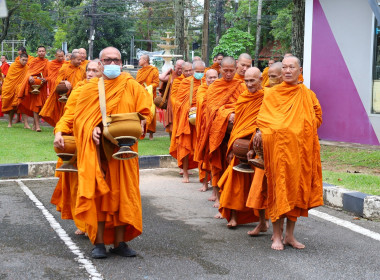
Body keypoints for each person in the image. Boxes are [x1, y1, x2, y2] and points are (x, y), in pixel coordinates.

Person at [70, 47, 152, 259]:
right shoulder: (89, 89)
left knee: (123, 196)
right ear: (100, 62)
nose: (112, 64)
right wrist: (92, 129)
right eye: (108, 60)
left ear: (122, 63)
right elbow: (79, 119)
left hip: (125, 153)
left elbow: (145, 111)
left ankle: (120, 242)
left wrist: (144, 121)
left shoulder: (131, 85)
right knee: (100, 196)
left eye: (116, 60)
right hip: (100, 153)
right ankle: (98, 243)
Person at [252, 56, 323, 250]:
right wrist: (263, 132)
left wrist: (301, 127)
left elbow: (317, 118)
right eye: (284, 67)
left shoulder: (307, 95)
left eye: (292, 67)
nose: (288, 71)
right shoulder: (272, 94)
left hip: (300, 151)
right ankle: (276, 236)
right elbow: (264, 120)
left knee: (296, 191)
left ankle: (290, 236)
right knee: (278, 190)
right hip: (278, 152)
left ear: (300, 70)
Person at [52, 60, 103, 236]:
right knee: (76, 184)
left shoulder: (105, 91)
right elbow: (69, 114)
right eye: (88, 70)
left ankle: (95, 222)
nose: (90, 73)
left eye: (95, 71)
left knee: (94, 184)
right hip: (77, 141)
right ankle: (82, 222)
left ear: (101, 73)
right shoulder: (79, 89)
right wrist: (59, 131)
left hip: (97, 143)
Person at [196, 57, 246, 211]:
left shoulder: (241, 86)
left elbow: (245, 107)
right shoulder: (215, 87)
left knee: (233, 165)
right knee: (217, 165)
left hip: (235, 132)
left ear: (236, 68)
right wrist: (227, 114)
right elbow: (210, 110)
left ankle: (231, 199)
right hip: (217, 132)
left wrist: (234, 113)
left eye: (232, 70)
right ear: (220, 70)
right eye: (226, 70)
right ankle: (218, 197)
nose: (229, 74)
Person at [218, 67, 266, 229]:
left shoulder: (266, 98)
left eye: (253, 80)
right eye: (246, 81)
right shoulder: (243, 98)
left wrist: (254, 140)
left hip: (258, 148)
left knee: (259, 185)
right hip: (239, 146)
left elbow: (266, 122)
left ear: (260, 80)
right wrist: (232, 147)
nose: (249, 84)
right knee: (233, 181)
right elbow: (238, 125)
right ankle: (234, 217)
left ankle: (262, 221)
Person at [245, 62, 283, 237]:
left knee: (280, 190)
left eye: (274, 76)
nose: (272, 80)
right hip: (263, 148)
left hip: (283, 148)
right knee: (258, 189)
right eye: (271, 76)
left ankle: (281, 231)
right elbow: (261, 120)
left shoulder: (291, 95)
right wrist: (256, 138)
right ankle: (262, 223)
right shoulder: (265, 94)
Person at [170, 60, 205, 183]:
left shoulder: (206, 82)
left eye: (202, 72)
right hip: (187, 119)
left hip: (202, 120)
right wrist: (189, 109)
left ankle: (204, 176)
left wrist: (200, 108)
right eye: (197, 71)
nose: (199, 74)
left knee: (202, 146)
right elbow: (178, 102)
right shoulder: (185, 83)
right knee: (185, 146)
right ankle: (185, 172)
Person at [40, 52, 85, 127]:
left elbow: (84, 81)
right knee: (64, 113)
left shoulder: (82, 69)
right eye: (78, 60)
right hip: (66, 95)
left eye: (81, 60)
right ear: (72, 59)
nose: (80, 62)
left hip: (77, 95)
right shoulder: (65, 67)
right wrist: (64, 81)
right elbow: (58, 80)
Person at [194, 69, 218, 192]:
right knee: (204, 155)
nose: (212, 80)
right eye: (210, 78)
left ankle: (215, 189)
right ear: (205, 79)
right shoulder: (201, 90)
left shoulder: (221, 90)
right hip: (203, 128)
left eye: (215, 77)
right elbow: (202, 104)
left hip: (215, 128)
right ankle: (205, 183)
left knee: (214, 158)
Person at [169, 62, 193, 174]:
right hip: (182, 115)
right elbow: (174, 98)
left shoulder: (197, 81)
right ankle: (182, 167)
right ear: (182, 72)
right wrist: (184, 108)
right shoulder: (178, 81)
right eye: (186, 71)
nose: (188, 73)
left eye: (190, 70)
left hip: (194, 115)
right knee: (183, 142)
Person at [18, 45, 49, 131]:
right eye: (40, 51)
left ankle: (35, 125)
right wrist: (30, 77)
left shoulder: (47, 62)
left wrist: (45, 79)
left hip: (42, 86)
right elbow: (28, 72)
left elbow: (49, 76)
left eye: (43, 51)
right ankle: (37, 126)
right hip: (35, 86)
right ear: (37, 52)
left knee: (41, 106)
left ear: (45, 52)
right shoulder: (34, 61)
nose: (41, 53)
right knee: (36, 105)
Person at [1, 53, 29, 127]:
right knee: (12, 107)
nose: (24, 62)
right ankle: (10, 122)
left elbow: (26, 78)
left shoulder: (26, 67)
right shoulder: (13, 65)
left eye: (26, 60)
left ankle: (26, 124)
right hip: (11, 88)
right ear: (19, 59)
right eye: (23, 60)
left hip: (21, 89)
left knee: (23, 105)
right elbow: (10, 78)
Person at [159, 59, 185, 137]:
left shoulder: (186, 76)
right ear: (175, 67)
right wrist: (168, 70)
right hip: (172, 103)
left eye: (181, 68)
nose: (180, 70)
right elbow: (161, 77)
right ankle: (172, 143)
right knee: (171, 124)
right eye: (178, 68)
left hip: (183, 103)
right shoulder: (172, 76)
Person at [136, 54, 159, 140]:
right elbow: (137, 83)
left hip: (150, 95)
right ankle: (140, 131)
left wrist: (148, 87)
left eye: (140, 59)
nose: (139, 61)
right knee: (140, 112)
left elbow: (156, 83)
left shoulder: (154, 70)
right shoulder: (139, 71)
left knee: (151, 113)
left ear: (145, 60)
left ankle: (151, 133)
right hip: (141, 95)